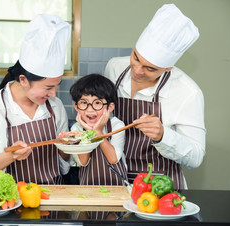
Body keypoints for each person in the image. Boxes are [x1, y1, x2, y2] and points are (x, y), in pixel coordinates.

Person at [104, 4, 206, 189]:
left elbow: (196, 157)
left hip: (160, 185)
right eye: (135, 57)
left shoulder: (187, 92)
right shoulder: (114, 68)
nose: (137, 71)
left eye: (150, 68)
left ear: (168, 67)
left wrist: (163, 135)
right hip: (114, 179)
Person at [0, 14, 72, 184]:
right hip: (10, 201)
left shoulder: (56, 106)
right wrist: (10, 155)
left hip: (54, 199)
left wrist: (66, 148)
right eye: (48, 88)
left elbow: (63, 167)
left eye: (57, 85)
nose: (53, 94)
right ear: (23, 80)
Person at [69, 74, 127, 185]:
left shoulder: (117, 125)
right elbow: (82, 161)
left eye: (97, 103)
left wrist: (98, 132)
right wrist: (88, 132)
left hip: (118, 186)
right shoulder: (76, 128)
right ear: (76, 107)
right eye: (84, 103)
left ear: (110, 107)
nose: (90, 110)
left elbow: (113, 159)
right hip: (87, 187)